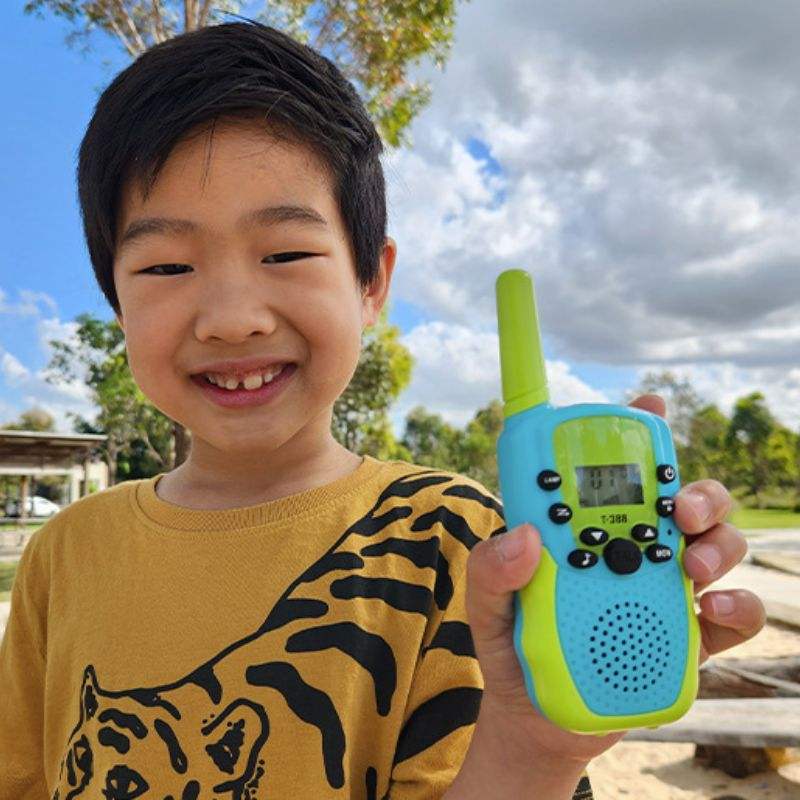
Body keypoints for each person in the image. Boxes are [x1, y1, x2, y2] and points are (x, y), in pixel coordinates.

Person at [0, 19, 765, 800]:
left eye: (286, 253)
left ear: (372, 284)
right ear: (116, 305)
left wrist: (536, 753)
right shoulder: (64, 554)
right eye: (166, 264)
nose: (233, 317)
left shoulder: (456, 543)